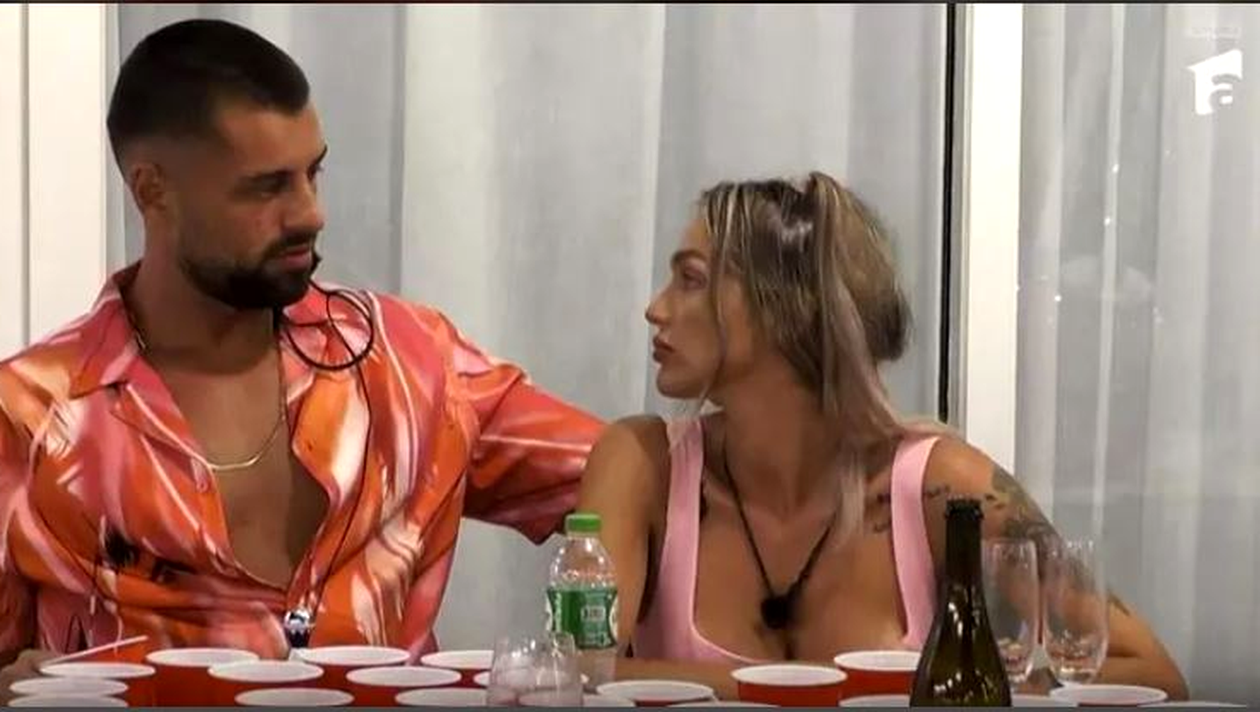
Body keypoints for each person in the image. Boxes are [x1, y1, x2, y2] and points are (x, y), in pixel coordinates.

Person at [0, 18, 602, 695]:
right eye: (266, 187)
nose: (309, 213)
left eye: (313, 173)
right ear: (152, 190)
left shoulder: (409, 361)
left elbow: (629, 477)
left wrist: (600, 650)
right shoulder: (29, 414)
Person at [577, 172, 1188, 699]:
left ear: (787, 308)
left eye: (689, 280)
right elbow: (581, 675)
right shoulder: (641, 464)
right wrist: (872, 689)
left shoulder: (941, 485)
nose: (655, 309)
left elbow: (1151, 672)